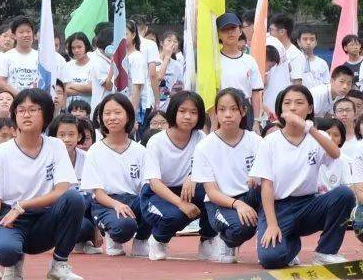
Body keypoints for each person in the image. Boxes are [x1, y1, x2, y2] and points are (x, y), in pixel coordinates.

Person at [0, 88, 86, 280]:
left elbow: (61, 190)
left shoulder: (56, 146)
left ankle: (58, 266)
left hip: (45, 219)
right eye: (21, 110)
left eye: (33, 109)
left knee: (74, 198)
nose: (26, 114)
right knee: (5, 251)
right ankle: (13, 261)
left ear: (46, 114)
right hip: (11, 220)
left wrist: (23, 205)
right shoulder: (2, 152)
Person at [250, 84, 356, 269]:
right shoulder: (270, 142)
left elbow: (335, 153)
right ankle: (291, 245)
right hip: (279, 208)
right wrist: (272, 225)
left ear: (310, 108)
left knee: (344, 194)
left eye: (299, 103)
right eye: (287, 103)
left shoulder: (317, 136)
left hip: (308, 204)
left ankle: (326, 252)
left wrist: (309, 129)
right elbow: (266, 186)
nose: (292, 108)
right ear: (280, 109)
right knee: (271, 259)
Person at [139, 91, 217, 261]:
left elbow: (207, 169)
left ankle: (207, 240)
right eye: (182, 111)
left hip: (187, 189)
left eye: (193, 112)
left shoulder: (200, 137)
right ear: (173, 111)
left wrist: (192, 176)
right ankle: (158, 240)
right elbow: (154, 183)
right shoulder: (156, 141)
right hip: (157, 194)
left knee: (212, 194)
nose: (188, 116)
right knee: (175, 215)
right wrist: (182, 204)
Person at [192, 88, 262, 263]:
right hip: (221, 203)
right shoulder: (205, 146)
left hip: (250, 195)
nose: (228, 115)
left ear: (243, 111)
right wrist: (238, 204)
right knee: (241, 229)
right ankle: (226, 241)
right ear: (215, 113)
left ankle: (279, 242)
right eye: (222, 109)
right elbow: (211, 191)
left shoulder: (256, 141)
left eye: (233, 109)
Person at [81, 94, 151, 257]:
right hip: (106, 203)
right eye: (107, 113)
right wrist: (116, 205)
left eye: (117, 112)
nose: (112, 117)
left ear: (128, 116)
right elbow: (97, 193)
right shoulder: (95, 151)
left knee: (153, 204)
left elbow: (147, 186)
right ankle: (113, 235)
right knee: (124, 226)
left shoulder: (141, 151)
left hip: (133, 200)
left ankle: (141, 240)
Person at [47, 112, 99, 253]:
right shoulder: (47, 159)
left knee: (85, 224)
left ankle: (82, 241)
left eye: (71, 134)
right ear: (54, 136)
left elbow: (95, 194)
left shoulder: (87, 158)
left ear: (79, 136)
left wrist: (96, 229)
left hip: (81, 212)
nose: (67, 139)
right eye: (62, 135)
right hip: (53, 213)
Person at [215, 13, 263, 126]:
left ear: (240, 31)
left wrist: (257, 121)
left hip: (245, 110)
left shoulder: (249, 60)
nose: (230, 32)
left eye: (233, 28)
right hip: (222, 110)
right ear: (218, 34)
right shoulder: (214, 61)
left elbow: (256, 93)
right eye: (225, 30)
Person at [0, 17, 39, 96]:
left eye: (28, 31)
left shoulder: (39, 57)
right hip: (15, 101)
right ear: (14, 36)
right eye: (21, 32)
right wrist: (19, 95)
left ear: (33, 34)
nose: (26, 35)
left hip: (36, 101)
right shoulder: (6, 56)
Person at [60, 33, 93, 107]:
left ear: (86, 46)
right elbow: (65, 90)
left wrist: (72, 85)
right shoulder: (67, 66)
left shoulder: (94, 65)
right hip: (70, 110)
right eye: (73, 48)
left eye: (79, 47)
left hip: (90, 109)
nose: (76, 50)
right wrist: (84, 90)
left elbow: (93, 88)